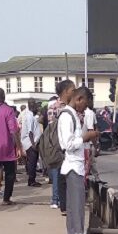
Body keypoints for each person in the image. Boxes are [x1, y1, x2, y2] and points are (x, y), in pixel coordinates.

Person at [59, 87, 99, 234]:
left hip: (76, 165)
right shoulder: (67, 116)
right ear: (79, 99)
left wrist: (86, 139)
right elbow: (67, 144)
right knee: (77, 206)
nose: (85, 109)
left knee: (74, 205)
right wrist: (85, 137)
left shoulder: (73, 115)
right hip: (73, 166)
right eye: (85, 104)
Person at [47, 80, 76, 212]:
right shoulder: (60, 108)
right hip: (60, 145)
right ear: (65, 91)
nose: (74, 92)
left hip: (59, 144)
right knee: (60, 175)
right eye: (72, 90)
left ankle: (59, 201)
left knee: (60, 174)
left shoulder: (55, 107)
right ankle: (59, 201)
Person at [21, 98, 42, 187]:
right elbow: (30, 132)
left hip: (32, 142)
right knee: (32, 162)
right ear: (30, 105)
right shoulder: (29, 116)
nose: (36, 106)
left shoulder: (31, 115)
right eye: (33, 104)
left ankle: (32, 179)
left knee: (33, 162)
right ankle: (31, 180)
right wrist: (33, 144)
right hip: (30, 143)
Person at [84, 99, 100, 182]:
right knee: (91, 160)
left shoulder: (81, 113)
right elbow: (91, 130)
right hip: (88, 142)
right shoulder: (90, 113)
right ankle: (96, 178)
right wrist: (95, 144)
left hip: (84, 142)